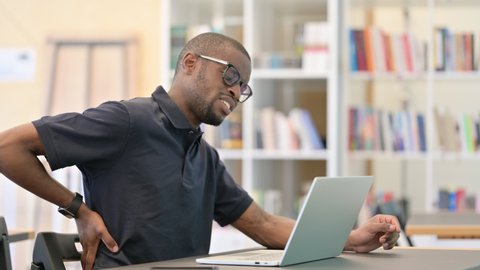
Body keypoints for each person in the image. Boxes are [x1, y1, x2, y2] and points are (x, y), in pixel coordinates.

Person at [0, 32, 400, 269]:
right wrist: (78, 208)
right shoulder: (128, 121)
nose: (235, 91)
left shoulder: (202, 155)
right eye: (230, 75)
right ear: (190, 62)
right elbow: (8, 148)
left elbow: (261, 225)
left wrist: (352, 237)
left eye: (243, 87)